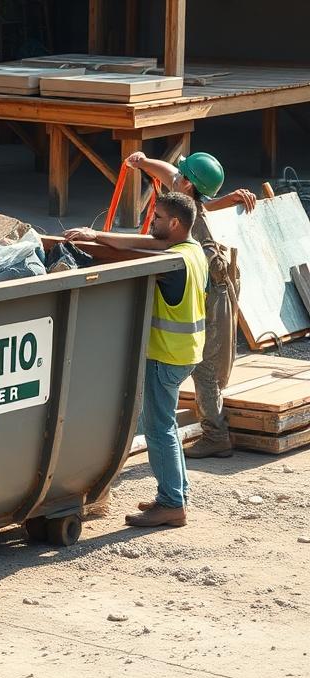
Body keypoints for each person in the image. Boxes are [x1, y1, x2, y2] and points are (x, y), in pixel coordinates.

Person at [65, 192, 207, 528]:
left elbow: (131, 256)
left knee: (159, 430)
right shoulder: (192, 250)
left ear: (174, 223)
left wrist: (94, 242)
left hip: (165, 355)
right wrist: (97, 234)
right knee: (167, 426)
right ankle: (176, 495)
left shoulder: (172, 264)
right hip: (185, 353)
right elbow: (141, 242)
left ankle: (172, 504)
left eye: (156, 217)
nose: (151, 222)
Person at [125, 151, 254, 459]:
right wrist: (142, 162)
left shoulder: (190, 222)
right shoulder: (184, 194)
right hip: (211, 287)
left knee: (207, 367)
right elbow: (167, 171)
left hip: (215, 296)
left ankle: (216, 435)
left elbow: (161, 245)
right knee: (203, 364)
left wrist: (110, 241)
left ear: (187, 185)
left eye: (181, 175)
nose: (175, 176)